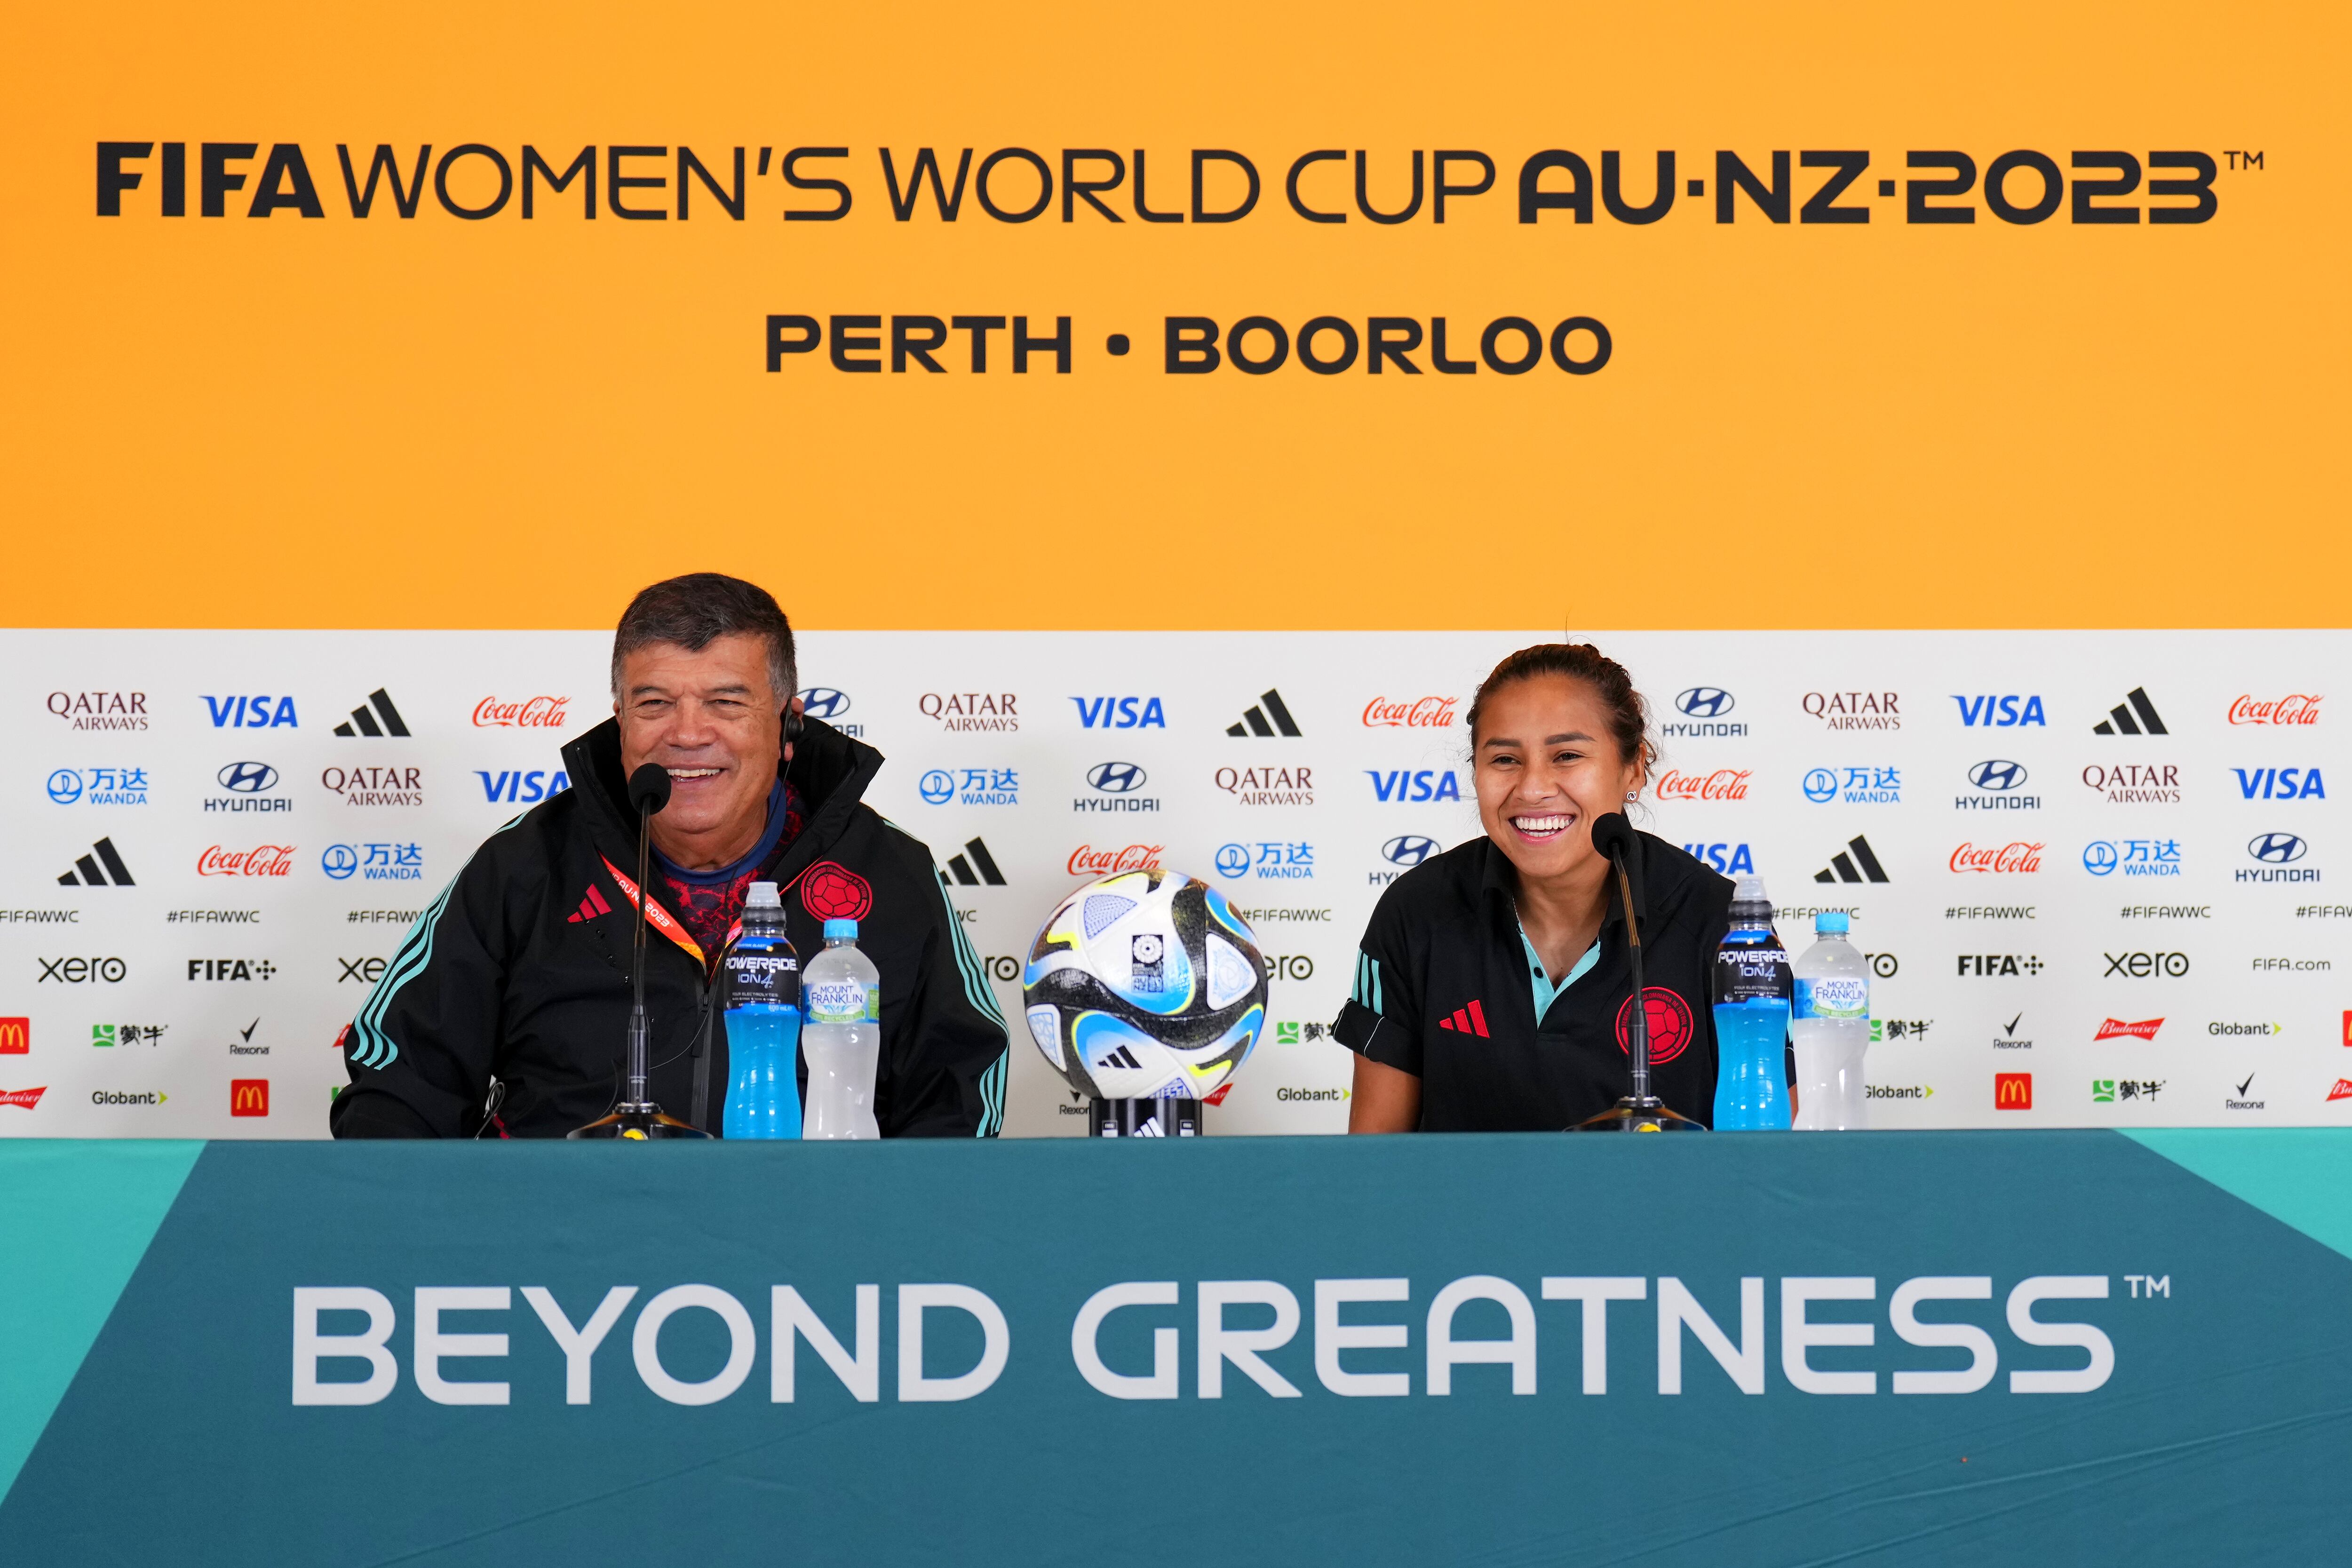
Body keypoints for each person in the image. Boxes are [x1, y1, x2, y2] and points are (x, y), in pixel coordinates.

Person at [329, 573, 1010, 1138]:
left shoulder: (887, 871)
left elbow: (962, 1091)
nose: (688, 734)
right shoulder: (525, 866)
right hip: (558, 1249)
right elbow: (396, 1080)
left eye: (725, 701)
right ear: (620, 718)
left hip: (817, 1251)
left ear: (787, 724)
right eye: (654, 703)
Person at [1335, 643, 1736, 1131]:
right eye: (1504, 759)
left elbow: (1772, 1166)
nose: (1531, 789)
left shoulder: (1720, 921)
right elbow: (1374, 1164)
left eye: (1566, 755)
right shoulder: (1416, 911)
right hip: (1460, 1211)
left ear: (1633, 767)